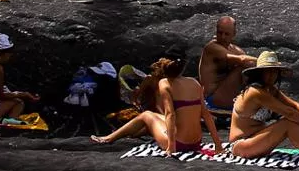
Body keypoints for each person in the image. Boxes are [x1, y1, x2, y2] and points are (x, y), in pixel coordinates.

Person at [91, 58, 222, 151]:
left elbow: (170, 114)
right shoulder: (194, 82)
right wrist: (218, 145)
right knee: (154, 117)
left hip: (179, 143)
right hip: (196, 142)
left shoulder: (164, 83)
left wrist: (171, 147)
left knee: (147, 115)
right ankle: (131, 133)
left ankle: (108, 138)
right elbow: (206, 114)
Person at [198, 16, 252, 112]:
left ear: (234, 34)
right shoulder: (212, 47)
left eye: (227, 34)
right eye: (220, 33)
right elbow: (242, 60)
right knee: (244, 67)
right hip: (212, 99)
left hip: (228, 95)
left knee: (256, 71)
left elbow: (249, 63)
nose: (223, 37)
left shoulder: (236, 49)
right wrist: (265, 61)